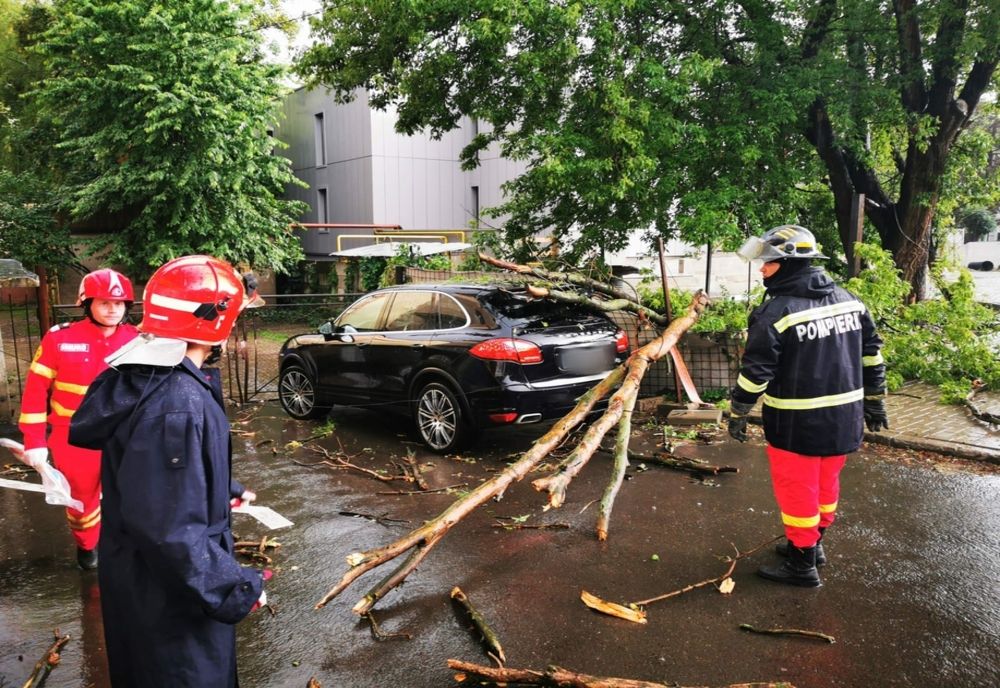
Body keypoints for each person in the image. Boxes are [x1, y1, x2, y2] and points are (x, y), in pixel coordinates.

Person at [68, 255, 266, 687]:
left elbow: (156, 476)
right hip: (168, 601)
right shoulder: (177, 401)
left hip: (144, 583)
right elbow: (169, 530)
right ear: (215, 321)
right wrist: (233, 588)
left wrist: (219, 488)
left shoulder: (149, 375)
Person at [728, 225, 888, 588]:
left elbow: (756, 373)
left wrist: (739, 410)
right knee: (826, 484)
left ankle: (801, 564)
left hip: (796, 423)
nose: (762, 269)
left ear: (788, 264)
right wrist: (875, 401)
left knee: (797, 490)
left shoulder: (777, 312)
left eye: (768, 262)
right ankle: (814, 546)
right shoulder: (849, 300)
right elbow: (872, 355)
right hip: (845, 419)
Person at [18, 268, 139, 570]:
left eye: (119, 303)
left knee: (134, 495)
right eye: (104, 302)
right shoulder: (60, 338)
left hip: (125, 436)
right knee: (82, 501)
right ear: (87, 304)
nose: (113, 309)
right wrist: (34, 441)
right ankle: (87, 546)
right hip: (73, 437)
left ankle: (128, 547)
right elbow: (35, 391)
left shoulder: (138, 341)